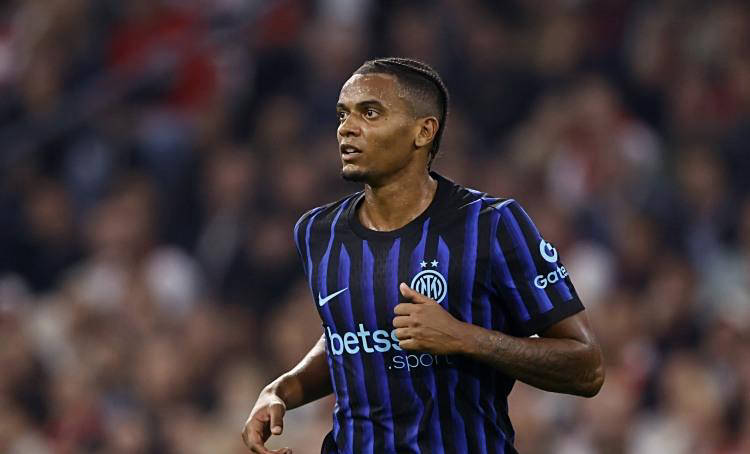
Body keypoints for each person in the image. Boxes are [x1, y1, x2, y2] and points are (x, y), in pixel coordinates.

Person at [242, 57, 604, 454]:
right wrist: (282, 390)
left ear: (423, 131)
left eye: (370, 113)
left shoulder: (492, 225)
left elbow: (586, 368)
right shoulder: (318, 231)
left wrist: (465, 338)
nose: (347, 127)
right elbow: (348, 336)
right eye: (343, 114)